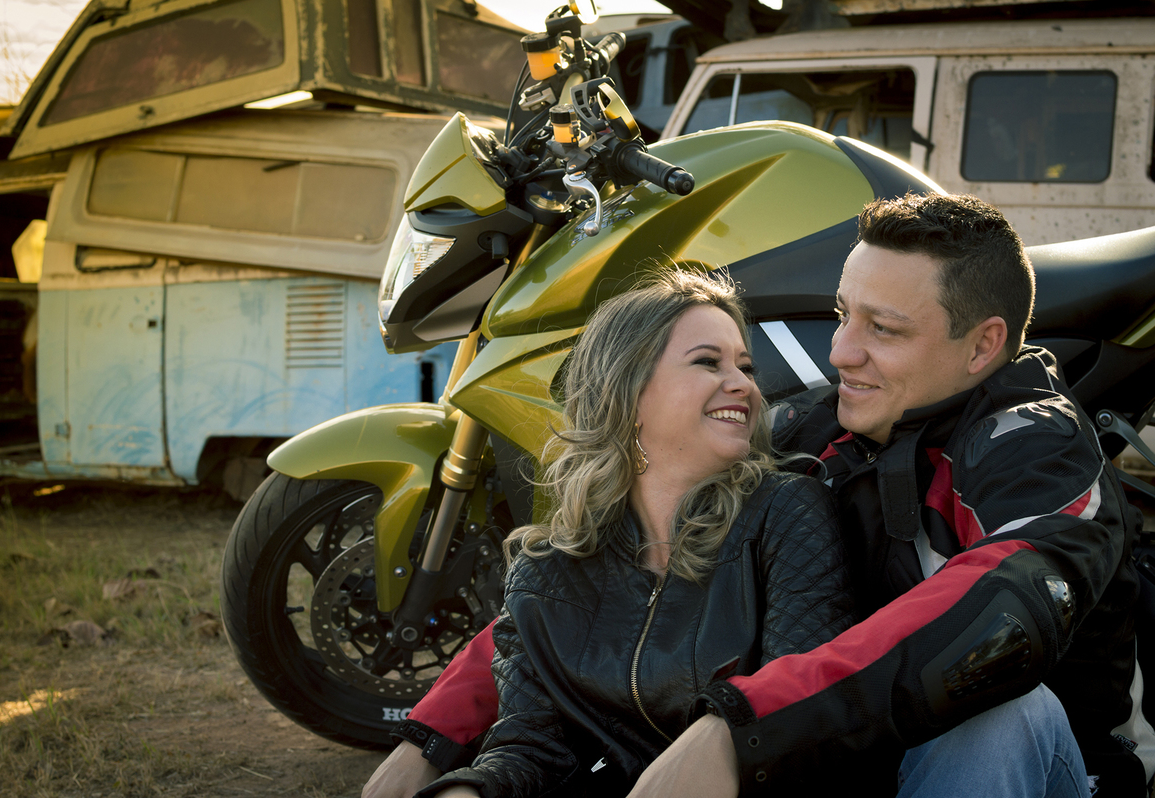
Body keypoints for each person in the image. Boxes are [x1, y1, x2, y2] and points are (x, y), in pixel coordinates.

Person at [363, 193, 1154, 797]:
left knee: (999, 707)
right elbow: (591, 578)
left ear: (982, 344)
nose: (841, 351)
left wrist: (742, 724)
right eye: (843, 316)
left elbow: (1000, 615)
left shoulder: (1038, 450)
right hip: (857, 755)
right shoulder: (822, 425)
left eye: (882, 329)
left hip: (1049, 772)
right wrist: (435, 733)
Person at [404, 270, 855, 798]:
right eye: (708, 362)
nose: (744, 385)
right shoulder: (545, 569)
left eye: (745, 366)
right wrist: (470, 790)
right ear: (628, 390)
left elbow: (800, 706)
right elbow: (529, 748)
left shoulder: (787, 511)